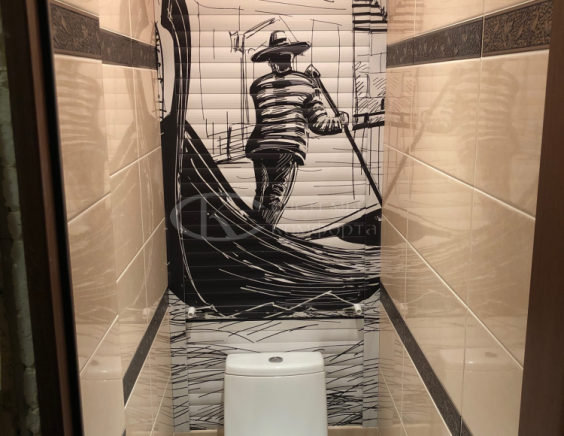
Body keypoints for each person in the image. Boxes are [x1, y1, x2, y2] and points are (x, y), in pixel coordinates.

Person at [246, 30, 349, 226]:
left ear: (270, 60)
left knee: (261, 194)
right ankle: (265, 235)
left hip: (260, 146)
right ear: (291, 56)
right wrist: (340, 121)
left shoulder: (257, 85)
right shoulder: (306, 84)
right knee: (275, 196)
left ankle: (254, 233)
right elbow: (318, 124)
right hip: (287, 146)